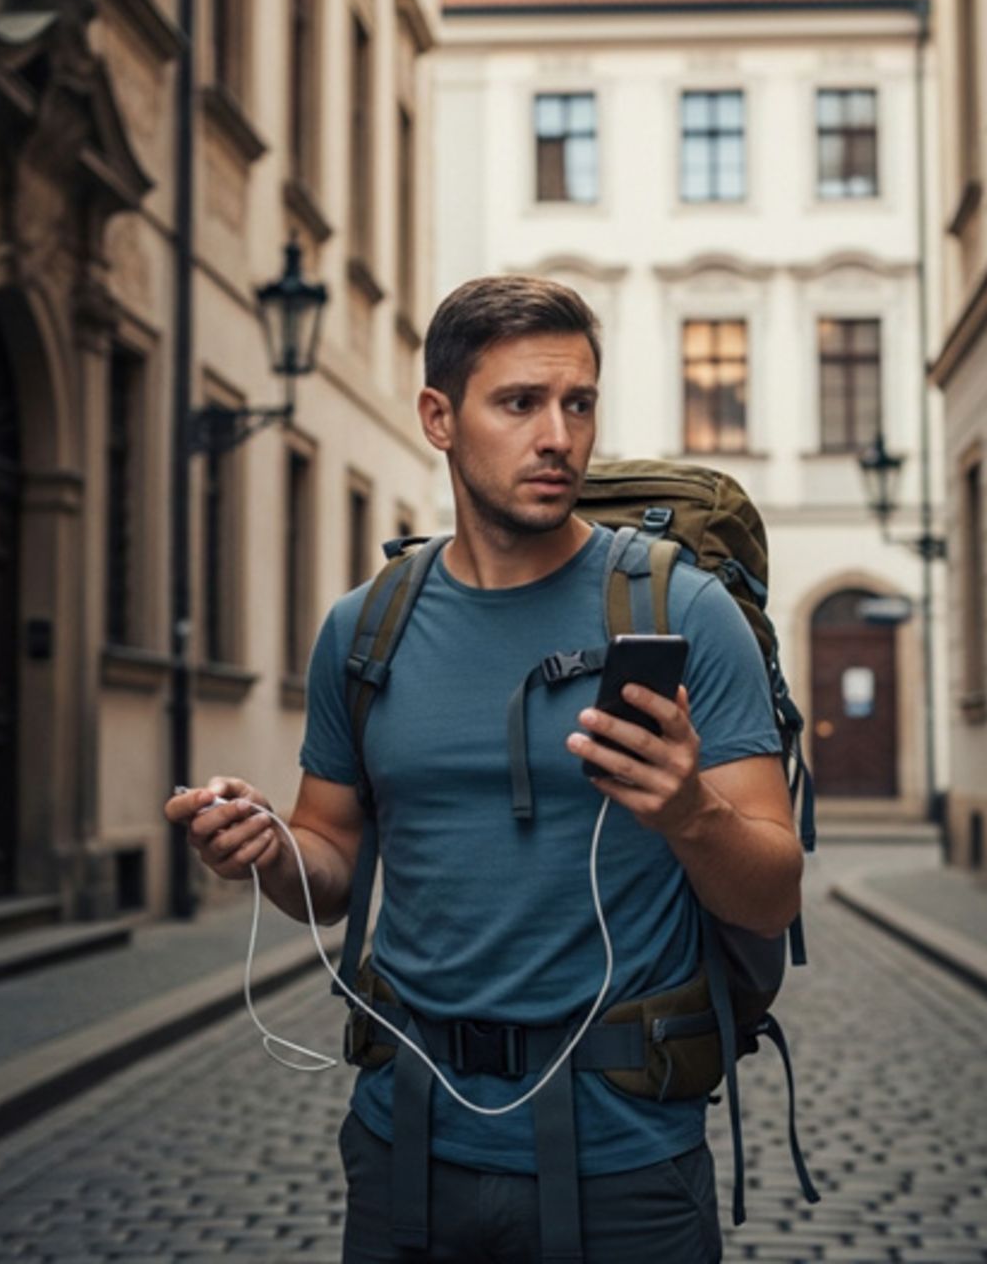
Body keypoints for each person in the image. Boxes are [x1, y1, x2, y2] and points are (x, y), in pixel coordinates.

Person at [164, 276, 803, 1262]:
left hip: (627, 1165)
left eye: (578, 403)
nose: (558, 435)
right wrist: (268, 850)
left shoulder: (683, 612)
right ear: (439, 417)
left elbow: (770, 894)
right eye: (519, 404)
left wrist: (690, 812)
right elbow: (329, 864)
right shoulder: (365, 630)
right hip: (403, 1148)